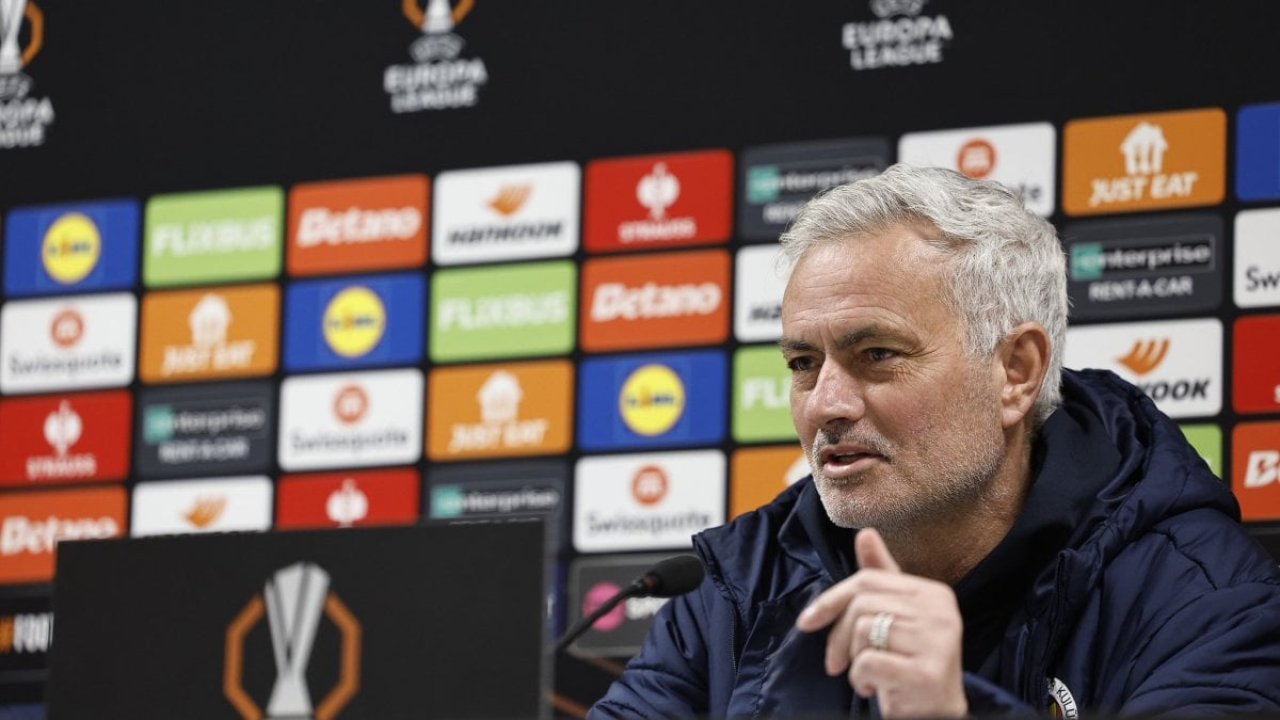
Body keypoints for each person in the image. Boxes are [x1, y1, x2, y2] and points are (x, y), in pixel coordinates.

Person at [589, 164, 1280, 718]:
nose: (824, 403)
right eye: (803, 363)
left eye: (877, 355)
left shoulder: (1206, 600)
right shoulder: (739, 590)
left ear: (1015, 372)